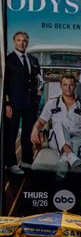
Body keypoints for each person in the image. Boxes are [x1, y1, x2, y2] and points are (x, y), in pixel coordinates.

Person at [29, 74, 81, 178]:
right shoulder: (52, 103)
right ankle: (70, 155)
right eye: (65, 85)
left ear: (75, 86)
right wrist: (35, 129)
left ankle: (64, 159)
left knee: (74, 142)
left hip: (78, 137)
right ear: (60, 86)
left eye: (71, 85)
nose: (68, 88)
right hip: (55, 138)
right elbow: (41, 122)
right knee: (59, 124)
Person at [3, 31, 42, 175]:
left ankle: (26, 161)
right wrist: (6, 104)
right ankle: (11, 163)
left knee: (27, 134)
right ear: (14, 41)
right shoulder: (7, 60)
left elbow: (39, 80)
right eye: (19, 40)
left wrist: (38, 96)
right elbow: (4, 83)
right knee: (11, 135)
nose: (22, 43)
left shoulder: (33, 59)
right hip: (13, 104)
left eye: (24, 40)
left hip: (30, 104)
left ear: (28, 42)